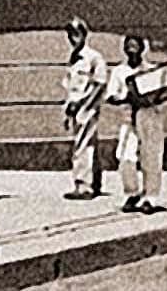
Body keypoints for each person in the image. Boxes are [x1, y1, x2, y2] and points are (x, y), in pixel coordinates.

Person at [106, 35, 167, 214]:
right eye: (129, 47)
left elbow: (166, 98)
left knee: (151, 157)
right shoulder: (119, 72)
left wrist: (154, 99)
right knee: (125, 156)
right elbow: (111, 96)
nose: (132, 51)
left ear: (143, 49)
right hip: (129, 118)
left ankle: (151, 197)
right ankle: (132, 192)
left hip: (149, 118)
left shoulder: (151, 71)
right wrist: (126, 97)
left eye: (136, 47)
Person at [62, 17, 108, 200]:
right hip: (75, 106)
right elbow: (70, 87)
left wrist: (87, 106)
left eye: (76, 34)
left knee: (82, 145)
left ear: (84, 35)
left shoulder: (93, 57)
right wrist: (68, 109)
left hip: (87, 106)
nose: (73, 38)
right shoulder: (74, 58)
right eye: (70, 35)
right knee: (89, 143)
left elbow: (100, 84)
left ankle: (83, 185)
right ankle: (95, 181)